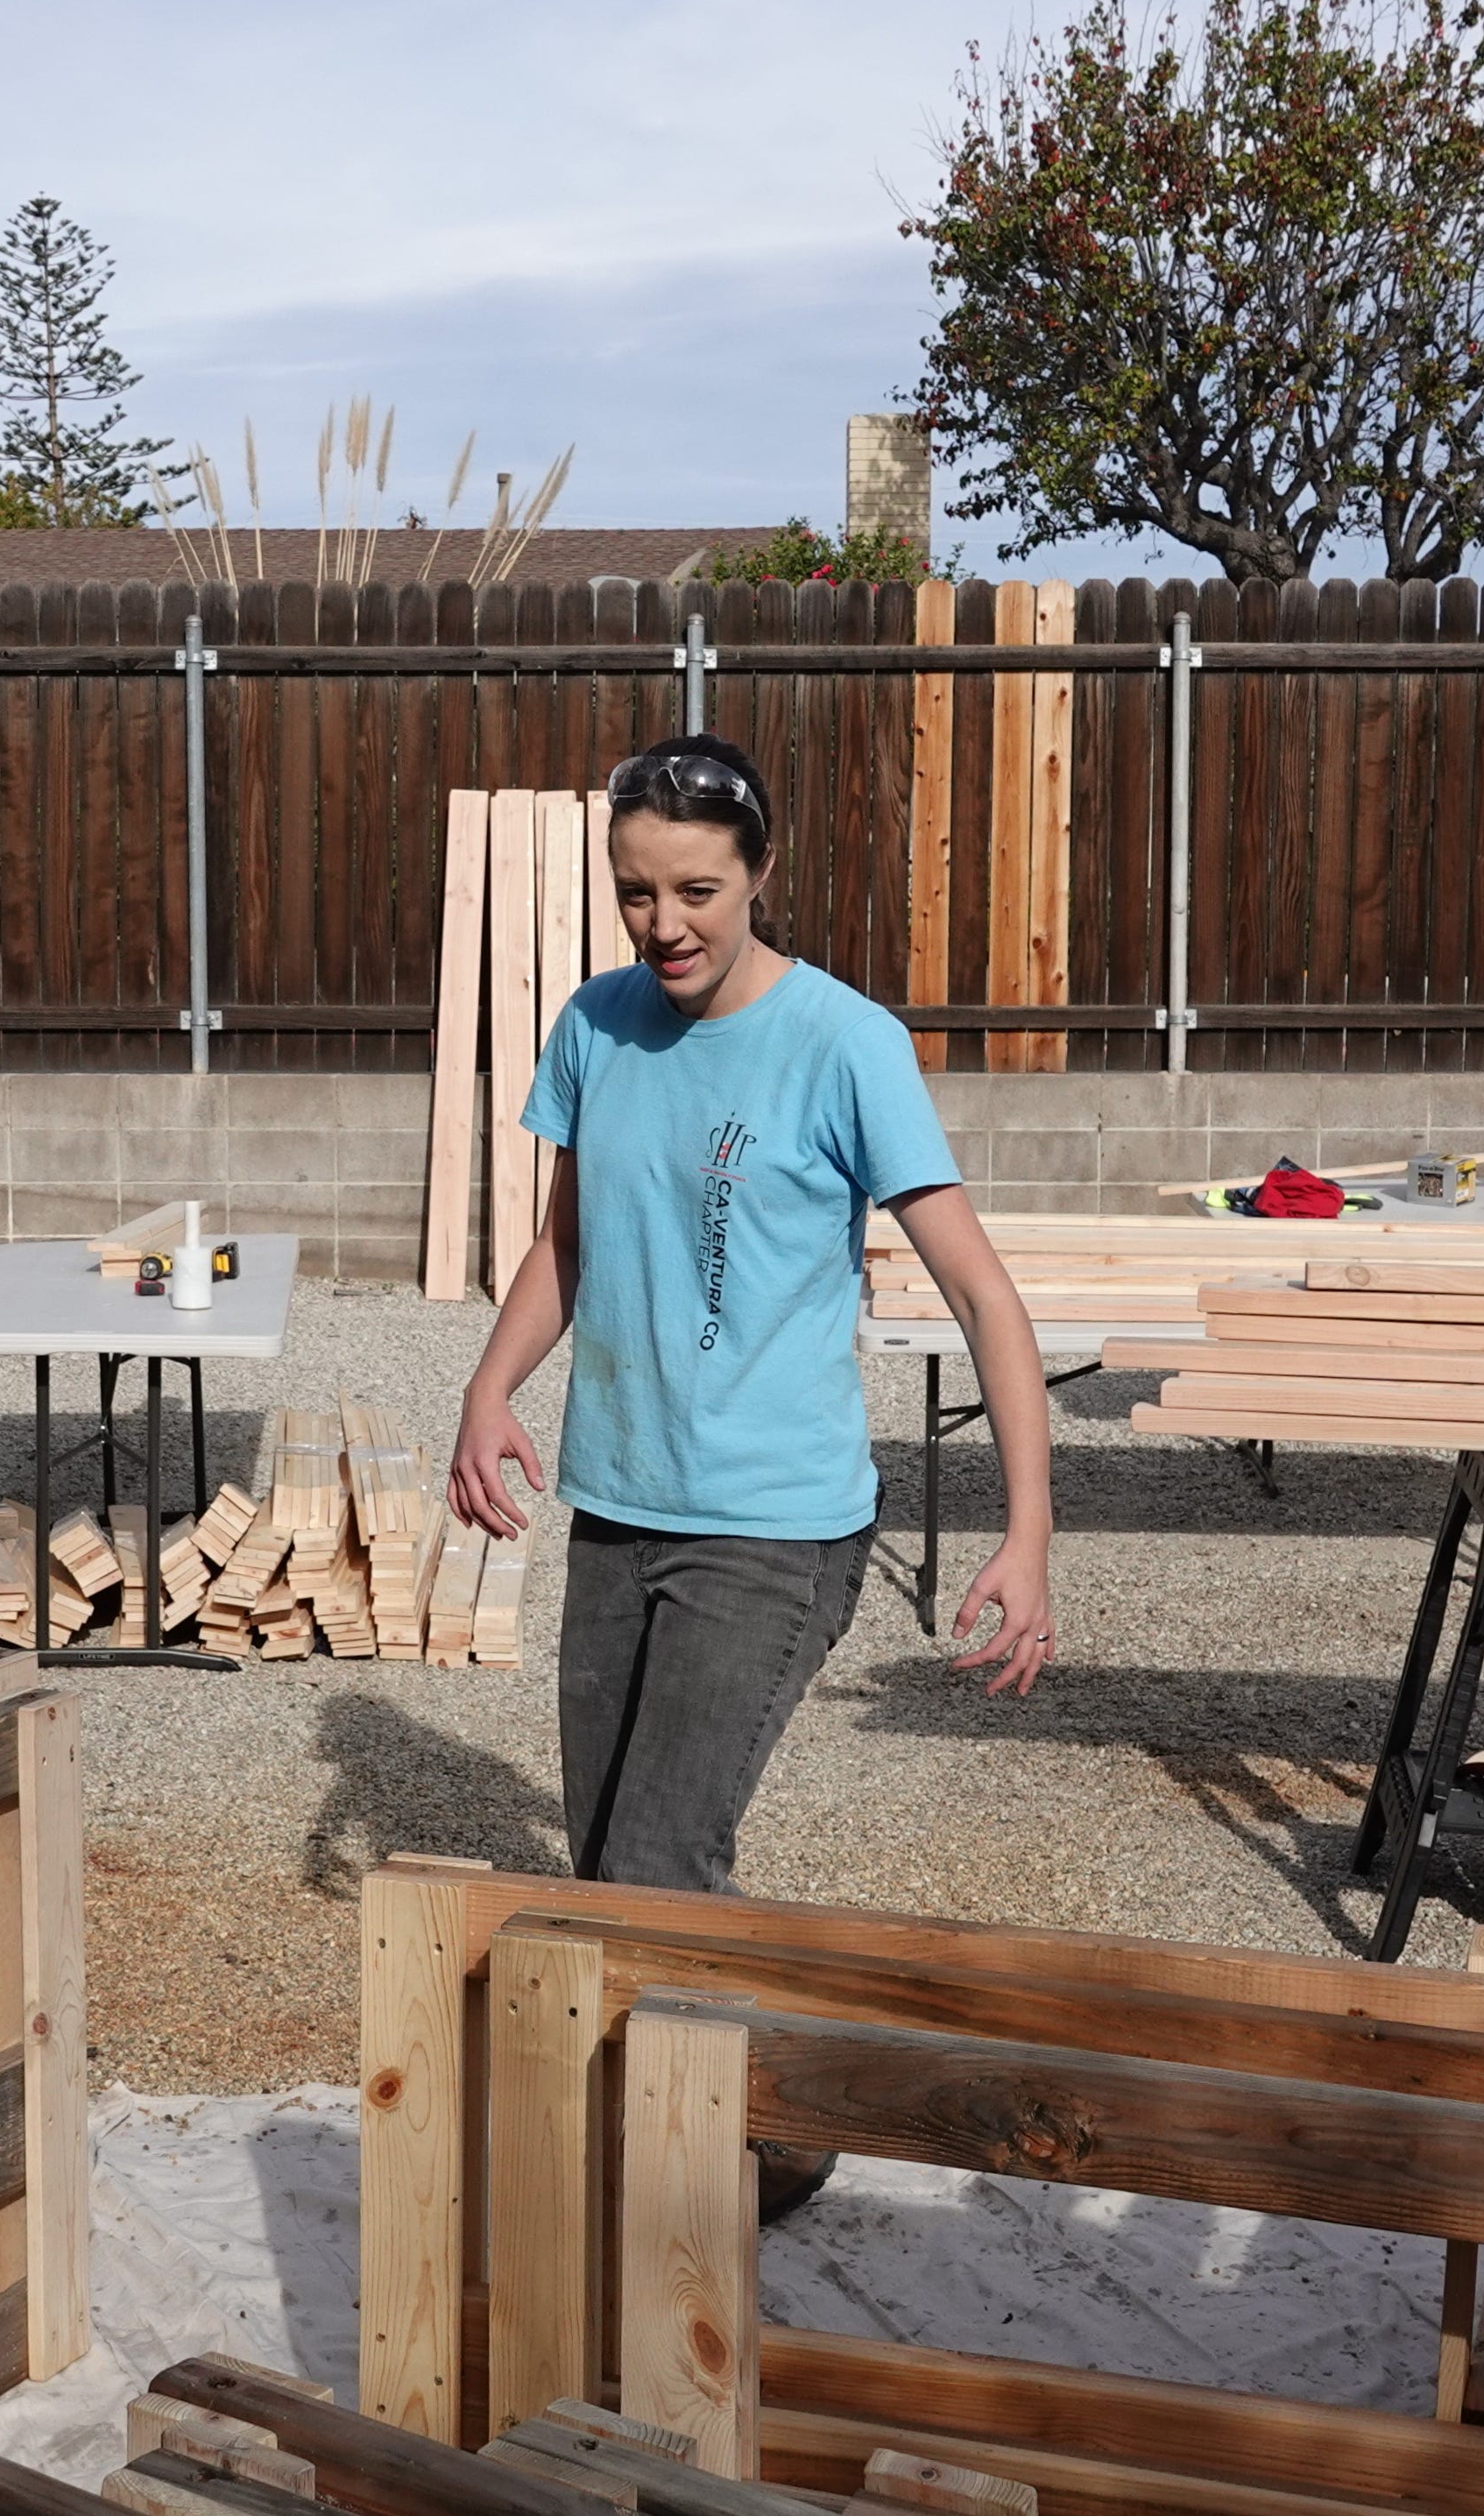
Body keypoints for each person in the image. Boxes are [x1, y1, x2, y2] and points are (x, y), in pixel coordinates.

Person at [449, 731, 1055, 1931]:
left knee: (657, 1879)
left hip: (771, 1532)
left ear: (760, 871)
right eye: (635, 891)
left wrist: (1026, 1532)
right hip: (619, 1508)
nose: (661, 923)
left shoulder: (844, 1045)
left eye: (695, 892)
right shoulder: (596, 1025)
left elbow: (985, 1296)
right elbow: (565, 1243)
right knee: (605, 1872)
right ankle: (668, 2118)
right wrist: (486, 1390)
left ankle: (776, 2125)